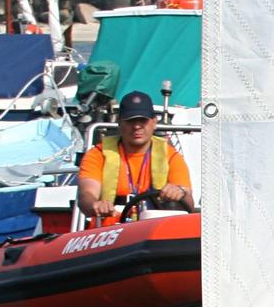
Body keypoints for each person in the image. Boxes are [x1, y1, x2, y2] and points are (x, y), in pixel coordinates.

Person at [76, 91, 193, 223]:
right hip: (109, 232)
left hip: (154, 230)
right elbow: (87, 194)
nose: (137, 127)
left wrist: (179, 192)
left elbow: (189, 201)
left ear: (154, 122)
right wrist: (95, 204)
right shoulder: (98, 154)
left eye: (142, 121)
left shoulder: (170, 155)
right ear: (120, 123)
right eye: (130, 121)